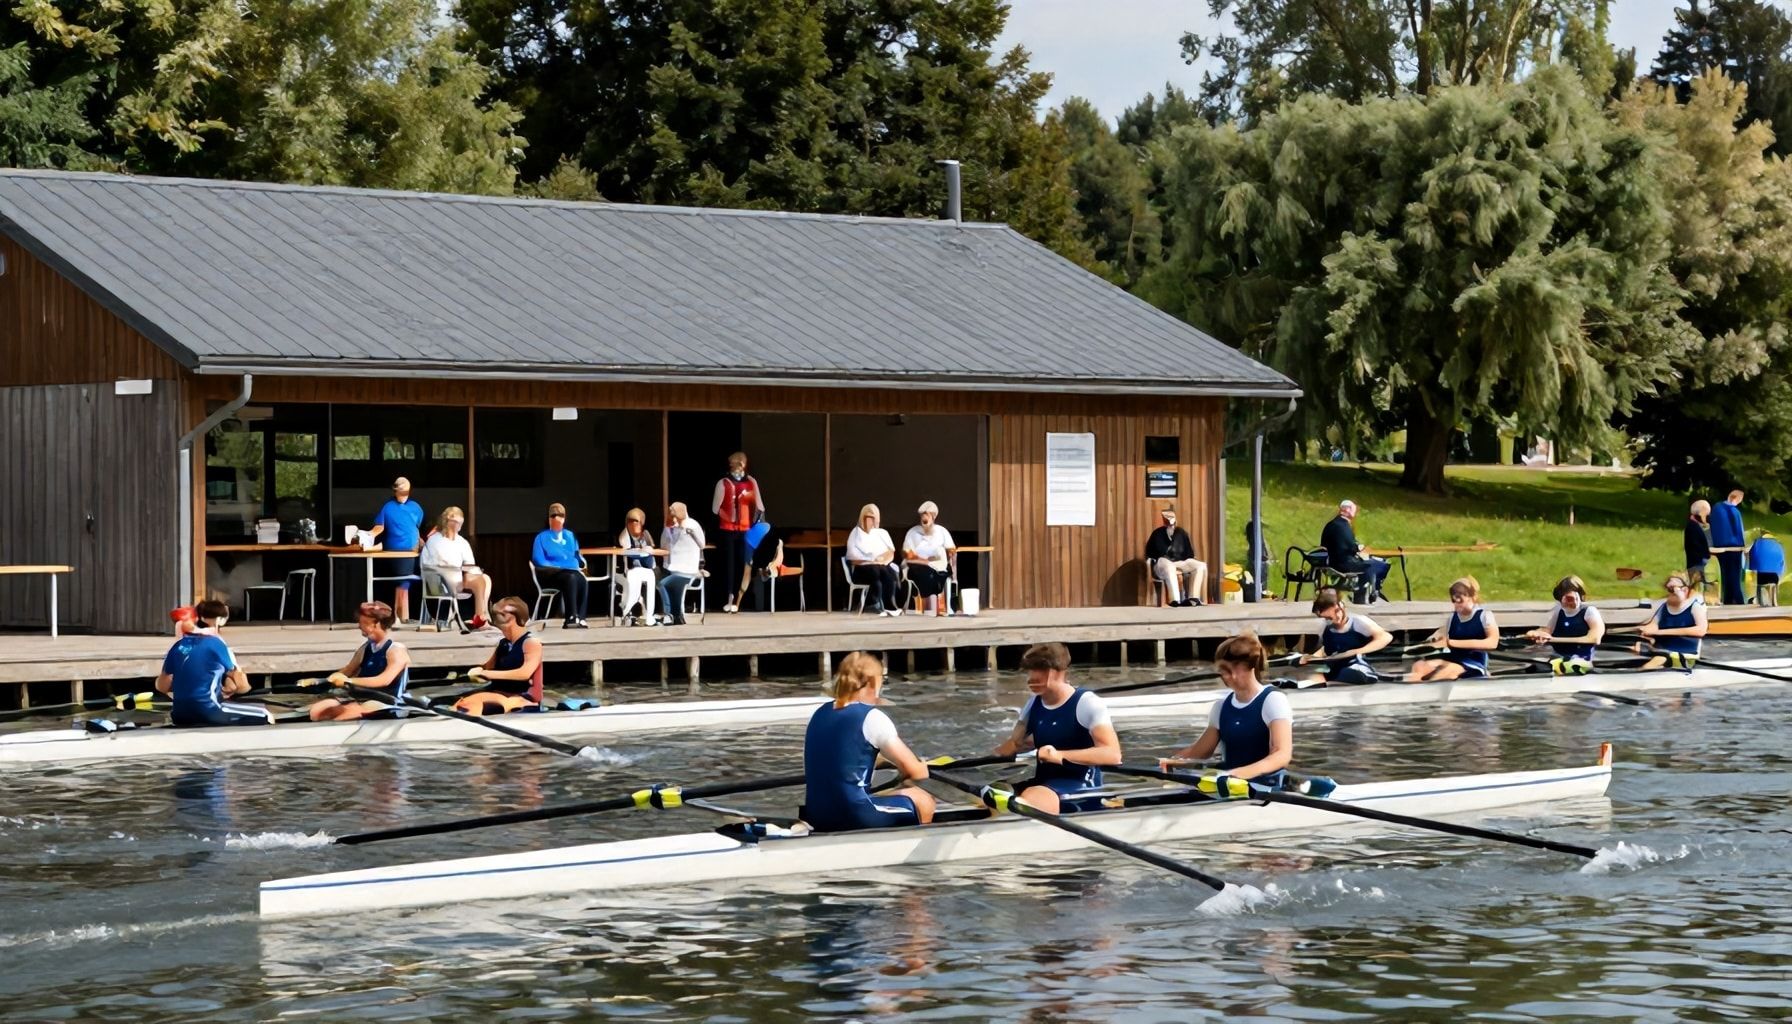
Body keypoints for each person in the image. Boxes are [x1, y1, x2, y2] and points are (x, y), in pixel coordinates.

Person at [801, 651, 936, 832]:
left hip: (816, 815)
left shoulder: (819, 714)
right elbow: (915, 771)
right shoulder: (871, 717)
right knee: (923, 800)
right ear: (873, 683)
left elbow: (840, 757)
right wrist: (921, 767)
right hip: (854, 814)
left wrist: (881, 761)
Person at [992, 642, 1122, 814]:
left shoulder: (1087, 703)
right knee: (993, 792)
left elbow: (1112, 755)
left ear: (1059, 672)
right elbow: (1014, 744)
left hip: (1080, 786)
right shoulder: (1033, 704)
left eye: (1040, 670)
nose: (1031, 678)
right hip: (1044, 784)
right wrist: (978, 763)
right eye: (1030, 670)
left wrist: (1059, 755)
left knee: (1028, 796)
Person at [1159, 633, 1292, 791]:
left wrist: (1240, 774)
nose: (1225, 676)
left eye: (1229, 669)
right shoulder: (1221, 707)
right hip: (1229, 785)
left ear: (1249, 666)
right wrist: (1172, 761)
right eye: (1222, 670)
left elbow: (1281, 754)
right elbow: (1200, 752)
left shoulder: (1273, 700)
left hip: (1265, 787)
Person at [155, 599, 271, 727]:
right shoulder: (216, 643)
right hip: (208, 710)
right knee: (265, 714)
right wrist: (241, 688)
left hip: (179, 715)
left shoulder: (178, 646)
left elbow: (161, 686)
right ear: (220, 620)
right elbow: (241, 685)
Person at [310, 601, 412, 721]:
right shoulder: (365, 648)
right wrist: (321, 681)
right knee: (318, 710)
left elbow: (384, 680)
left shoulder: (396, 650)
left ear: (376, 624)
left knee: (344, 714)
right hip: (364, 699)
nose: (359, 626)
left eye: (363, 623)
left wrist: (349, 681)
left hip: (389, 703)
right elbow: (347, 671)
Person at [454, 597, 545, 715]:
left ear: (512, 619)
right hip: (499, 692)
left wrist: (487, 674)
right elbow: (488, 667)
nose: (496, 624)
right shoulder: (503, 643)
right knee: (459, 701)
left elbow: (524, 673)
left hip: (521, 697)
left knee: (473, 703)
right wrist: (476, 671)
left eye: (498, 618)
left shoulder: (531, 643)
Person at [1407, 577, 1499, 682]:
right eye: (1454, 600)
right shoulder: (1452, 618)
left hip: (1474, 663)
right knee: (1419, 666)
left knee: (1448, 670)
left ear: (1472, 597)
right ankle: (1411, 688)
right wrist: (1433, 641)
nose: (1456, 604)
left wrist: (1451, 643)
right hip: (1453, 659)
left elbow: (1492, 643)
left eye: (1460, 600)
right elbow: (1441, 636)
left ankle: (1428, 688)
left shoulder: (1485, 616)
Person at [1300, 588, 1392, 686]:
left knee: (1350, 673)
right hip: (1336, 666)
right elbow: (1326, 650)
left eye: (1337, 611)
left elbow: (1385, 637)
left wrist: (1355, 652)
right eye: (1328, 618)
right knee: (1311, 675)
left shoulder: (1358, 622)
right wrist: (1312, 657)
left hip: (1358, 666)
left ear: (1341, 606)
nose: (1336, 617)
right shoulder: (1328, 629)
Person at [420, 506, 491, 629]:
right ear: (446, 521)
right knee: (478, 580)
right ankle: (481, 618)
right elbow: (436, 564)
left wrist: (470, 570)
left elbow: (469, 563)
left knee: (485, 578)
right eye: (455, 522)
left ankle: (481, 617)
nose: (458, 526)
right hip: (438, 580)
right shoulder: (435, 540)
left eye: (460, 523)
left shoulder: (462, 542)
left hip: (458, 578)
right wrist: (459, 570)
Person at [366, 476, 425, 623]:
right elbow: (379, 527)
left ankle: (403, 616)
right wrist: (367, 536)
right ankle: (401, 617)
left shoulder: (416, 507)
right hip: (395, 551)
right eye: (400, 491)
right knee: (401, 582)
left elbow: (416, 526)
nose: (403, 495)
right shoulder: (388, 507)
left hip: (413, 551)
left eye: (405, 491)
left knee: (407, 583)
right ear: (395, 491)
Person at [712, 451, 764, 614]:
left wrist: (756, 520)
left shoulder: (751, 482)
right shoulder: (723, 483)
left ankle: (740, 599)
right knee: (729, 564)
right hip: (728, 530)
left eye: (741, 463)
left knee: (745, 564)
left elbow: (760, 506)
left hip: (746, 528)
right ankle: (728, 597)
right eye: (735, 463)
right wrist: (729, 516)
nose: (738, 466)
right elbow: (715, 508)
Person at [1523, 575, 1605, 675]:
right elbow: (1548, 630)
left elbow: (1594, 638)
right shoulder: (1559, 611)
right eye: (1566, 599)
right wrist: (1536, 633)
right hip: (1558, 659)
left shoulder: (1590, 612)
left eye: (1571, 599)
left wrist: (1553, 639)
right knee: (1532, 669)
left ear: (1580, 596)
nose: (1568, 603)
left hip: (1581, 661)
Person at [531, 502, 589, 628]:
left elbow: (576, 555)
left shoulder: (570, 536)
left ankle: (581, 617)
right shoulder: (541, 537)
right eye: (553, 516)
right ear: (549, 519)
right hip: (550, 574)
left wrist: (579, 564)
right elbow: (538, 559)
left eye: (561, 516)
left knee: (582, 579)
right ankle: (571, 617)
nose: (557, 519)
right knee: (571, 578)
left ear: (564, 518)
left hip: (571, 571)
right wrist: (558, 567)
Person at [1320, 499, 1390, 602]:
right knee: (1376, 565)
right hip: (1343, 563)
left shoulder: (1331, 524)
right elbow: (1351, 546)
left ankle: (1366, 591)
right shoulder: (1343, 526)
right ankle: (1366, 592)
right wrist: (1359, 548)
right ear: (1347, 510)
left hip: (1331, 561)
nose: (1355, 512)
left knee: (1370, 563)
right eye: (1354, 510)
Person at [1636, 573, 1706, 670]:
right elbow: (1654, 625)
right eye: (1667, 588)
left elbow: (1701, 630)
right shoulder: (1665, 606)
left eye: (1672, 589)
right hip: (1662, 648)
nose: (1669, 593)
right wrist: (1644, 633)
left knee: (1654, 662)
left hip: (1682, 649)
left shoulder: (1695, 606)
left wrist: (1659, 632)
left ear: (1684, 590)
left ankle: (1643, 672)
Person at [902, 501, 957, 616]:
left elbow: (951, 552)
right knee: (926, 573)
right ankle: (929, 608)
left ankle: (934, 608)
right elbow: (907, 555)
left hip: (939, 567)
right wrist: (924, 561)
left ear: (933, 517)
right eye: (923, 515)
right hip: (917, 567)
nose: (924, 518)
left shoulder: (942, 531)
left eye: (927, 515)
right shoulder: (912, 532)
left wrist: (954, 575)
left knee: (935, 574)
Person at [846, 503, 902, 616]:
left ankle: (889, 606)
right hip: (862, 569)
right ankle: (875, 604)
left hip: (880, 566)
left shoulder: (881, 533)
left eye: (873, 518)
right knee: (875, 571)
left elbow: (890, 551)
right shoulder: (855, 533)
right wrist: (870, 560)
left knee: (889, 572)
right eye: (868, 518)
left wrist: (882, 560)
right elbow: (852, 557)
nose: (871, 521)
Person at [1145, 506, 1206, 607]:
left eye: (1173, 524)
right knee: (1169, 566)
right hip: (1162, 563)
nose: (1172, 526)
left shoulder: (1181, 533)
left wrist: (1187, 562)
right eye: (1169, 524)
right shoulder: (1157, 534)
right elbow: (1150, 553)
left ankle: (1194, 598)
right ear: (1165, 523)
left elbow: (1189, 554)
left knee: (1201, 566)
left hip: (1179, 562)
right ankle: (1175, 600)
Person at [618, 507, 666, 626]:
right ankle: (626, 612)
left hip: (647, 568)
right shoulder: (624, 536)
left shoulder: (645, 534)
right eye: (631, 521)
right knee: (634, 590)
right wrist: (641, 552)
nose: (635, 524)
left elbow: (651, 550)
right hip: (632, 569)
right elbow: (626, 552)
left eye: (637, 522)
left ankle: (650, 615)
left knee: (652, 578)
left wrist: (647, 550)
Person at [658, 502, 705, 625]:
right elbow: (664, 545)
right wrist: (667, 529)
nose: (674, 520)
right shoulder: (673, 528)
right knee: (673, 588)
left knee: (663, 584)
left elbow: (702, 545)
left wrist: (691, 533)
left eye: (675, 517)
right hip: (674, 569)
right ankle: (677, 616)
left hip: (687, 570)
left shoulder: (692, 525)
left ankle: (669, 614)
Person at [1711, 489, 1747, 605]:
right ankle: (1738, 600)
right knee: (1735, 575)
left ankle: (1727, 599)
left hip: (1719, 546)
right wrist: (1743, 546)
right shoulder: (1734, 512)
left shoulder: (1716, 508)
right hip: (1735, 547)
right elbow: (1738, 530)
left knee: (1725, 573)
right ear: (1737, 499)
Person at [1684, 499, 1712, 595]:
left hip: (1697, 561)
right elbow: (1695, 545)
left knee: (1699, 587)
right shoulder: (1692, 527)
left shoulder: (1695, 525)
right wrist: (1706, 554)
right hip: (1696, 562)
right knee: (1697, 588)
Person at [1750, 530, 1784, 607]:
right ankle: (1774, 602)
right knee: (1774, 582)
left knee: (1759, 585)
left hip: (1761, 575)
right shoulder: (1777, 545)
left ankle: (1760, 602)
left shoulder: (1756, 544)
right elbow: (1781, 561)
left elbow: (1752, 558)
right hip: (1774, 576)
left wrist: (1753, 568)